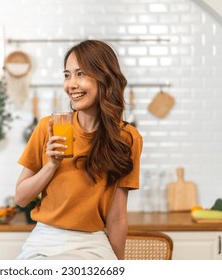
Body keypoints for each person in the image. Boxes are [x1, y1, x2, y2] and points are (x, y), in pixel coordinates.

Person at [14, 40, 143, 260]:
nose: (71, 84)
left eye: (80, 74)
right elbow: (21, 198)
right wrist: (51, 164)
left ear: (104, 78)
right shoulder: (49, 127)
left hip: (92, 241)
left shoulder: (126, 138)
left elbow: (117, 216)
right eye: (67, 75)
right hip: (45, 240)